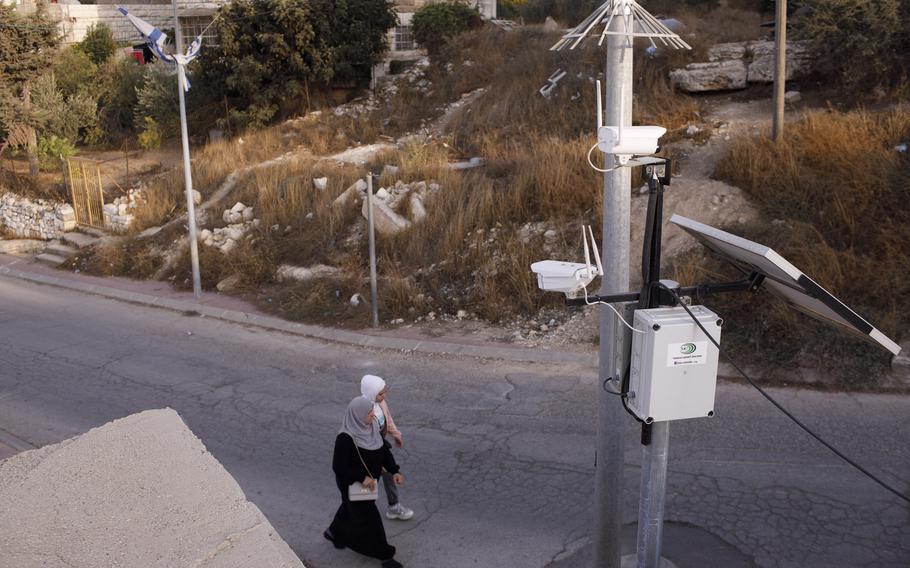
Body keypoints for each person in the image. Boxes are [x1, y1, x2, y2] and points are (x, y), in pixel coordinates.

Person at [325, 395, 405, 568]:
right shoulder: (345, 438)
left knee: (347, 507)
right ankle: (385, 556)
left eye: (372, 412)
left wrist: (394, 470)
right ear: (357, 415)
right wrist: (361, 477)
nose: (372, 415)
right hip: (353, 485)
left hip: (368, 484)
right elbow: (339, 467)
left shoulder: (371, 428)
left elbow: (384, 452)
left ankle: (333, 532)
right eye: (369, 413)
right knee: (371, 520)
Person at [360, 374, 415, 521]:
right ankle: (358, 515)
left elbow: (387, 419)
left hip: (379, 446)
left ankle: (393, 506)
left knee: (389, 473)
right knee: (366, 485)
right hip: (366, 452)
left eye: (385, 391)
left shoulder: (381, 404)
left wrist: (396, 435)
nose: (385, 395)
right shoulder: (362, 410)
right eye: (381, 393)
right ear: (371, 393)